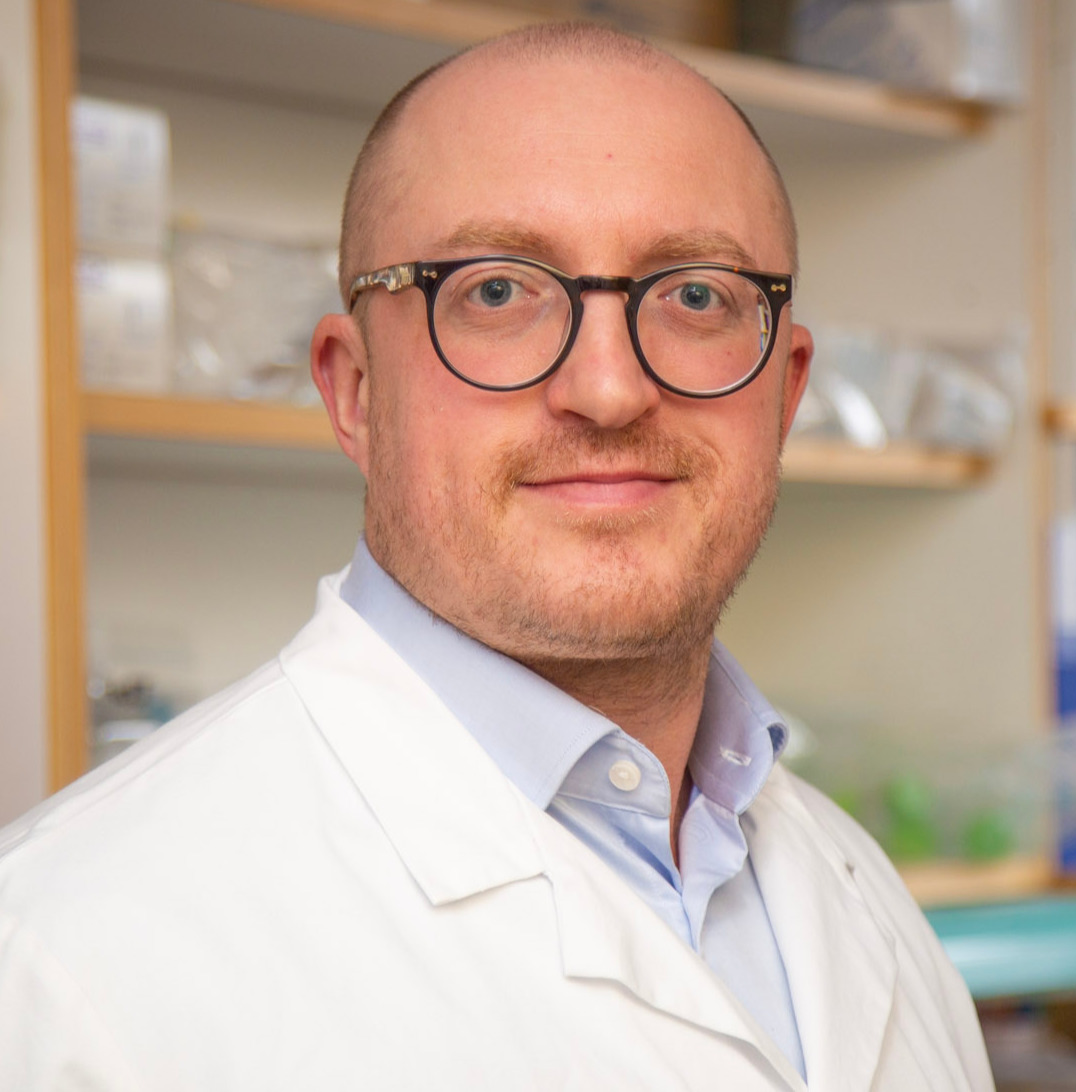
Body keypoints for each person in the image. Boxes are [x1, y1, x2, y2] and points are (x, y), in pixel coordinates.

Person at [0, 22, 992, 1092]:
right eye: (496, 291)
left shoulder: (863, 897)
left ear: (784, 392)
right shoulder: (67, 965)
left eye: (697, 294)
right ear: (355, 391)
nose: (608, 390)